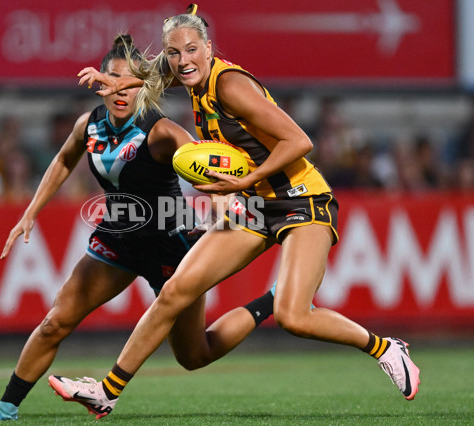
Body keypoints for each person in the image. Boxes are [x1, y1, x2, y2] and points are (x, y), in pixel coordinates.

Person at [49, 5, 421, 419]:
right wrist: (114, 82)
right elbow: (148, 77)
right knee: (175, 291)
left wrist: (246, 182)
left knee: (294, 317)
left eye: (191, 50)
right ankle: (107, 391)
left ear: (209, 48)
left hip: (302, 200)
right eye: (174, 52)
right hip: (256, 205)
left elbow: (299, 141)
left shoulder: (229, 86)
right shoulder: (186, 73)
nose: (182, 60)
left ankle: (385, 347)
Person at [0, 34, 277, 422]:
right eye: (110, 80)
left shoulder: (162, 132)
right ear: (100, 83)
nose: (118, 90)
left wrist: (227, 208)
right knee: (56, 321)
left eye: (127, 81)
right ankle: (5, 409)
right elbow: (62, 161)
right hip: (116, 239)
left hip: (171, 246)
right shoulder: (88, 125)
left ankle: (274, 299)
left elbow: (210, 169)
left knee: (195, 355)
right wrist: (31, 211)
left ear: (140, 85)